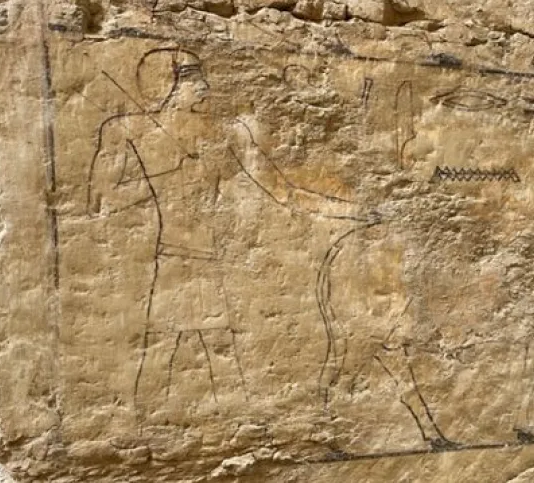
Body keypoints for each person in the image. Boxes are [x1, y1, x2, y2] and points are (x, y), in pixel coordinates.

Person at [87, 47, 370, 429]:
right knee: (161, 349)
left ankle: (242, 427)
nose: (203, 86)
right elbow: (101, 201)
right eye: (190, 78)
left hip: (206, 260)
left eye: (201, 76)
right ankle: (140, 432)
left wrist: (347, 210)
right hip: (172, 259)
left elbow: (281, 189)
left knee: (220, 348)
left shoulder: (225, 134)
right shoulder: (129, 130)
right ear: (166, 83)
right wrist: (162, 175)